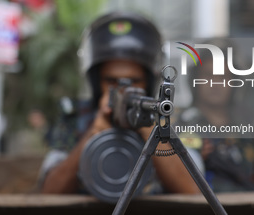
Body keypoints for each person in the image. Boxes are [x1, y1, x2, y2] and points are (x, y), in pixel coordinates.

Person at [39, 12, 199, 195]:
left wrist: (149, 127)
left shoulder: (171, 119)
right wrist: (93, 134)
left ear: (149, 81)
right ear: (96, 81)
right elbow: (48, 192)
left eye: (134, 81)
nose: (123, 90)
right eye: (112, 81)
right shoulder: (75, 119)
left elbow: (193, 191)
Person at [177, 38, 254, 192]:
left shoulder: (248, 127)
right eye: (208, 75)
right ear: (194, 80)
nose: (215, 83)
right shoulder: (179, 125)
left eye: (223, 76)